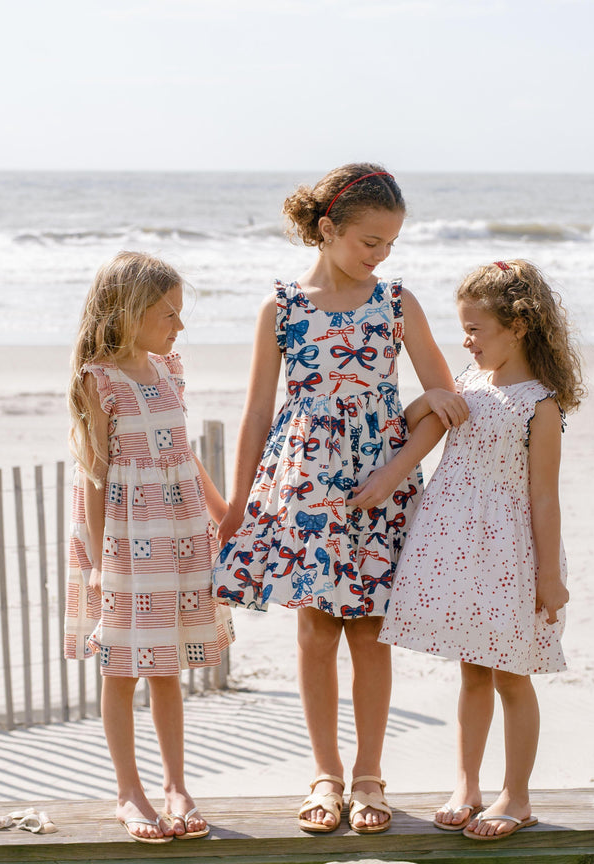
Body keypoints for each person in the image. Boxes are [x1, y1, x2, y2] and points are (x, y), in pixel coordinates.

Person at [212, 164, 467, 834]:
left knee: (369, 631)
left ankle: (369, 775)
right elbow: (256, 413)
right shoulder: (282, 307)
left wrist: (393, 473)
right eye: (369, 242)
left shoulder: (397, 303)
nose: (380, 255)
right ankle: (324, 773)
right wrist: (240, 506)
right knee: (316, 628)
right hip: (303, 487)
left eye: (389, 244)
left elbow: (446, 405)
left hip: (378, 481)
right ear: (328, 230)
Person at [378, 259, 584, 841]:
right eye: (463, 328)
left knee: (512, 676)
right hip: (457, 546)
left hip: (511, 554)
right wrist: (427, 402)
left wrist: (549, 576)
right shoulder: (467, 385)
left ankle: (515, 796)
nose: (465, 341)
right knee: (471, 672)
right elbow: (415, 421)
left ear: (518, 326)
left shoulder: (538, 404)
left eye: (476, 329)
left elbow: (545, 497)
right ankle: (466, 785)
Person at [63, 251, 234, 844]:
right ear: (130, 311)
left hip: (181, 534)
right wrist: (95, 560)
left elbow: (184, 455)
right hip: (128, 545)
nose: (178, 327)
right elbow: (93, 473)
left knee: (169, 666)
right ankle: (128, 792)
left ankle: (176, 784)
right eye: (169, 314)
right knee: (123, 668)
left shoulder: (169, 370)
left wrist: (223, 512)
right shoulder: (97, 379)